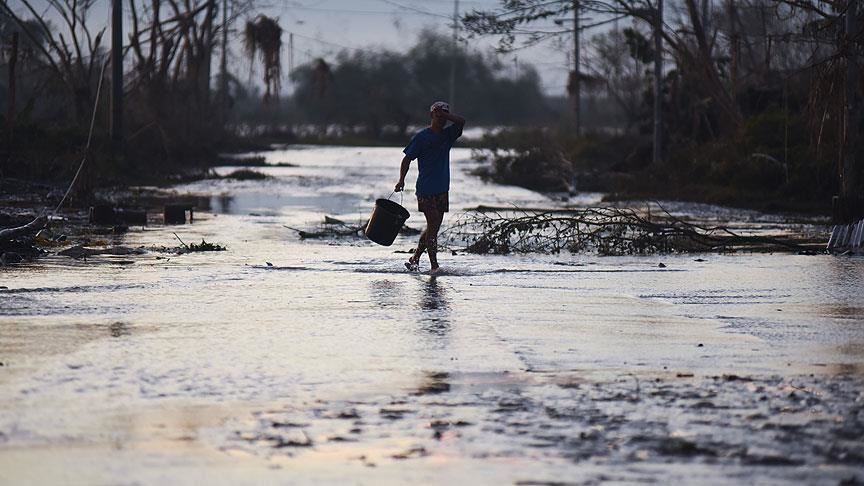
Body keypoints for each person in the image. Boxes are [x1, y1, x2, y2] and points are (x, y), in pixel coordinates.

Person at [394, 101, 465, 274]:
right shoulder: (421, 137)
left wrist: (445, 115)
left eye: (444, 116)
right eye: (437, 115)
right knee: (433, 224)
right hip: (426, 189)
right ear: (431, 115)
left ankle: (415, 258)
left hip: (442, 189)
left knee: (433, 227)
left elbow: (461, 122)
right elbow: (407, 159)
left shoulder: (449, 135)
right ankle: (434, 266)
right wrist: (401, 180)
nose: (441, 119)